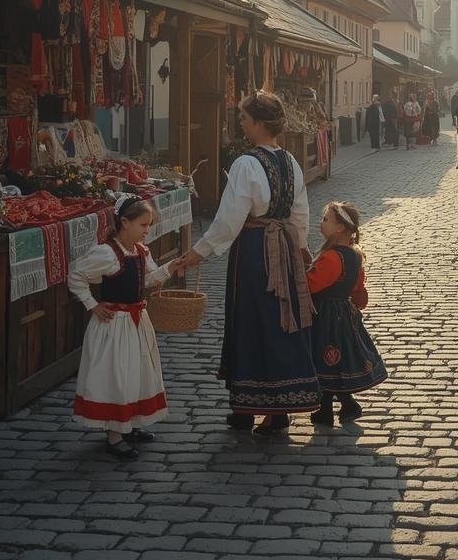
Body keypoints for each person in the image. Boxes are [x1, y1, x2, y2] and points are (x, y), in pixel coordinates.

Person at [171, 91, 320, 434]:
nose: (240, 124)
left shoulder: (246, 163)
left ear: (258, 123)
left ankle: (260, 407)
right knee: (282, 317)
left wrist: (198, 252)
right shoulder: (291, 162)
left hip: (255, 250)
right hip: (281, 245)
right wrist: (299, 247)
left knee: (252, 318)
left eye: (243, 119)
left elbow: (229, 219)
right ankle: (259, 406)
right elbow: (300, 212)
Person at [67, 194, 170, 460]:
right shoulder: (106, 253)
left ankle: (131, 424)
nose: (147, 231)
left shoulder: (140, 251)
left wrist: (172, 268)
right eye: (143, 225)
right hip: (114, 325)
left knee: (137, 372)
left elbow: (148, 280)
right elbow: (76, 274)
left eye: (149, 226)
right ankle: (114, 435)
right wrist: (92, 304)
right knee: (117, 375)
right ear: (124, 222)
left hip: (137, 323)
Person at [306, 201, 387, 426]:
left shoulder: (332, 258)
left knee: (323, 359)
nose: (320, 223)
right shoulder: (354, 255)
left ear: (340, 228)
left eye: (325, 220)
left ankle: (326, 410)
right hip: (345, 313)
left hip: (325, 316)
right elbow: (358, 289)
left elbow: (312, 285)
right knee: (337, 361)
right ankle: (346, 404)